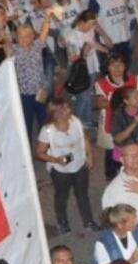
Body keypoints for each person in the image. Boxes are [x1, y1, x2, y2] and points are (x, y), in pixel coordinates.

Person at [35, 97, 99, 234]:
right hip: (60, 170)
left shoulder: (75, 121)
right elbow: (39, 153)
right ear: (57, 114)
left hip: (80, 164)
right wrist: (55, 159)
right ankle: (62, 221)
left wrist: (90, 155)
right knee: (61, 196)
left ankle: (88, 221)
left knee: (82, 194)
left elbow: (85, 138)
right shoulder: (47, 131)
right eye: (65, 108)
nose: (70, 109)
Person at [95, 53, 138, 179]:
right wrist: (122, 102)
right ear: (108, 67)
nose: (117, 68)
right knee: (111, 151)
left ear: (125, 66)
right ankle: (110, 174)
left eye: (120, 64)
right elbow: (99, 103)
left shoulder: (133, 80)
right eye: (113, 65)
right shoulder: (102, 84)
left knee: (128, 148)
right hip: (110, 123)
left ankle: (126, 171)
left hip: (129, 122)